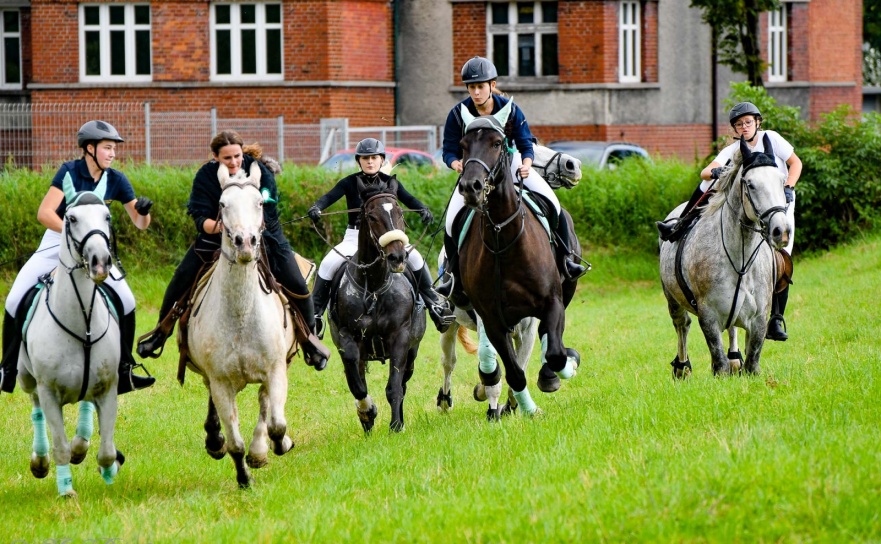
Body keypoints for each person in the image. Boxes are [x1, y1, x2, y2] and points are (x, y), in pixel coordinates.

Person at [136, 130, 329, 369]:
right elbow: (200, 218)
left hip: (265, 239)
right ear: (216, 157)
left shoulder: (260, 171)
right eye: (227, 158)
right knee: (180, 279)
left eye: (237, 156)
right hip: (215, 239)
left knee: (298, 284)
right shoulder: (206, 176)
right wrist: (226, 229)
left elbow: (267, 205)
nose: (234, 162)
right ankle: (160, 333)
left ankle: (310, 341)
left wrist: (247, 230)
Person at [1, 120, 155, 395]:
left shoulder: (116, 179)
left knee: (128, 301)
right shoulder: (69, 172)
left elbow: (140, 223)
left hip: (95, 250)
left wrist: (143, 212)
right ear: (89, 148)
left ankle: (125, 369)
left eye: (114, 149)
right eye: (107, 148)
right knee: (14, 299)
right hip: (58, 242)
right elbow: (45, 213)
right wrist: (73, 236)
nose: (112, 154)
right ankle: (7, 369)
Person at [436, 56, 586, 301]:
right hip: (476, 170)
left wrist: (527, 163)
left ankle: (567, 260)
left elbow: (526, 142)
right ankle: (453, 275)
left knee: (554, 205)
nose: (475, 92)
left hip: (512, 162)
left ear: (492, 85)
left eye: (480, 86)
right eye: (471, 87)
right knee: (452, 220)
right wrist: (456, 163)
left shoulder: (510, 108)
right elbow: (449, 149)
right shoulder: (458, 113)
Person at [657, 101, 802, 340]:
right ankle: (681, 223)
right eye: (739, 124)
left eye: (748, 122)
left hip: (779, 205)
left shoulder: (772, 138)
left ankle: (776, 318)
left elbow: (795, 163)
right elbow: (705, 172)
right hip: (750, 207)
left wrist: (789, 187)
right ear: (734, 129)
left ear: (757, 122)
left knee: (781, 257)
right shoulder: (733, 150)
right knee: (708, 184)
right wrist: (715, 172)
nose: (744, 127)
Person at [308, 137, 454, 336]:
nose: (370, 162)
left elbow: (408, 198)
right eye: (365, 158)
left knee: (417, 258)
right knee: (327, 263)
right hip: (356, 238)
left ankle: (434, 305)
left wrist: (422, 209)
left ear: (381, 160)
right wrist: (317, 207)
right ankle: (316, 315)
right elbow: (328, 197)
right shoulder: (349, 182)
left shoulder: (390, 182)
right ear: (359, 161)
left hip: (389, 236)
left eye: (374, 158)